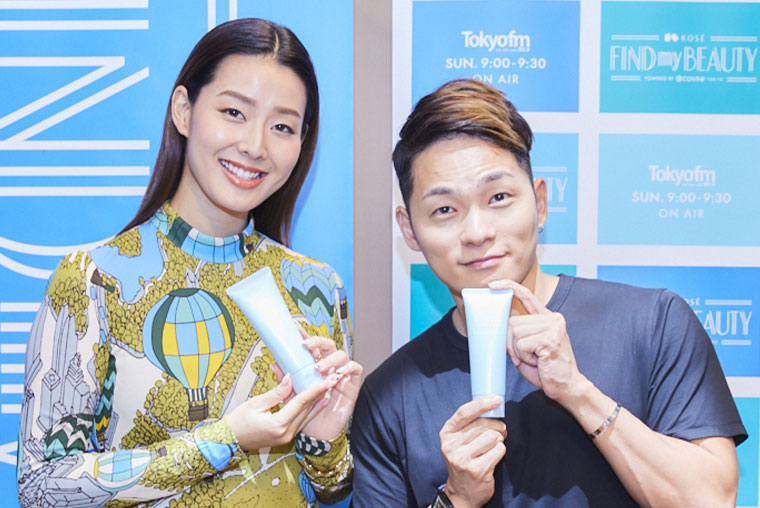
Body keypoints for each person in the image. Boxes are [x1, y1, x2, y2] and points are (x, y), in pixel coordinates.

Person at [351, 78, 746, 508]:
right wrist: (457, 499)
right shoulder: (389, 396)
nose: (477, 232)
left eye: (498, 197)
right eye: (445, 209)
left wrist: (578, 392)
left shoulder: (653, 323)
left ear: (540, 204)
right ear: (410, 230)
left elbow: (712, 500)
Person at [17, 18, 361, 508]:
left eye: (282, 126)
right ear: (184, 110)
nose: (255, 145)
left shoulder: (316, 286)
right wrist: (222, 440)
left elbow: (332, 489)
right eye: (234, 112)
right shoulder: (93, 279)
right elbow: (41, 486)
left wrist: (324, 441)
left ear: (302, 141)